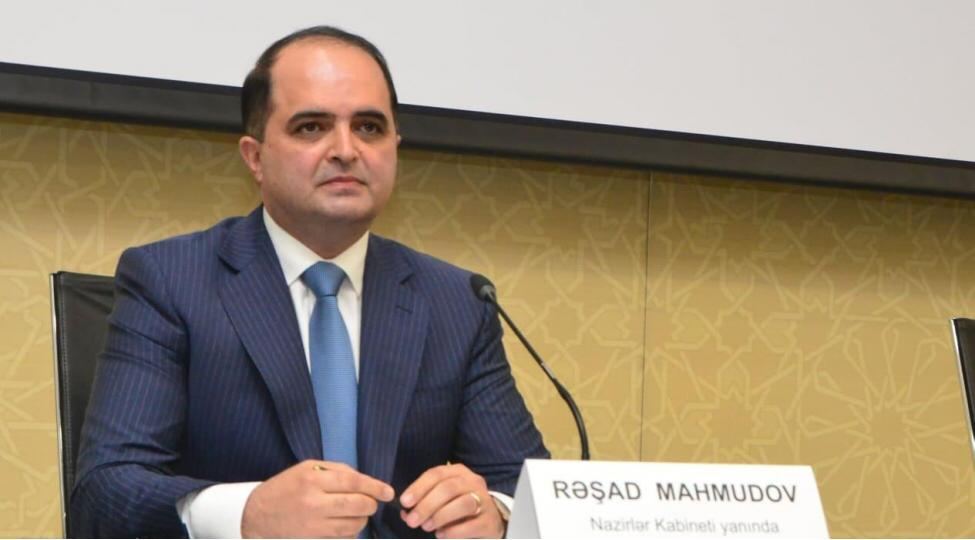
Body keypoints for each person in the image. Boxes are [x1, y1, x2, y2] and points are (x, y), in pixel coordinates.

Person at [70, 25, 548, 538]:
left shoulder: (458, 301)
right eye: (311, 127)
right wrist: (246, 514)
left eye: (369, 127)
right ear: (255, 157)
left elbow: (525, 488)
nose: (346, 149)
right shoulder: (170, 282)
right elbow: (105, 493)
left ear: (395, 147)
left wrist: (496, 513)